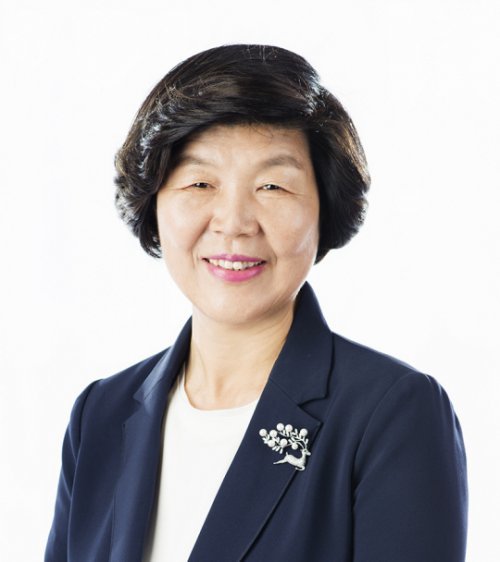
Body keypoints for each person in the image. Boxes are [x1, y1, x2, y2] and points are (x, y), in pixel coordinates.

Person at [45, 44, 468, 562]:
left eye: (272, 186)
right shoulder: (101, 415)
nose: (234, 222)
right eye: (200, 182)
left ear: (324, 209)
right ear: (153, 204)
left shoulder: (392, 413)